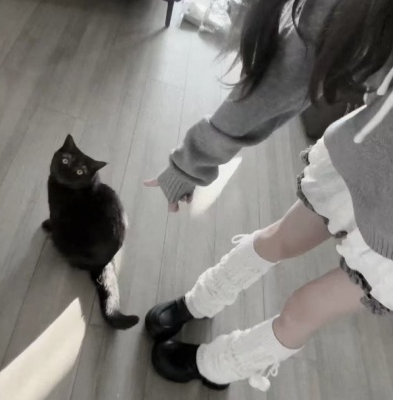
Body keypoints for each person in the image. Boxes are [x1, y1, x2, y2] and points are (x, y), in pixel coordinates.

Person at [144, 0, 393, 392]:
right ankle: (202, 299)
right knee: (275, 239)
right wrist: (192, 162)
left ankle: (218, 367)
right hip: (360, 166)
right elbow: (287, 76)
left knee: (303, 309)